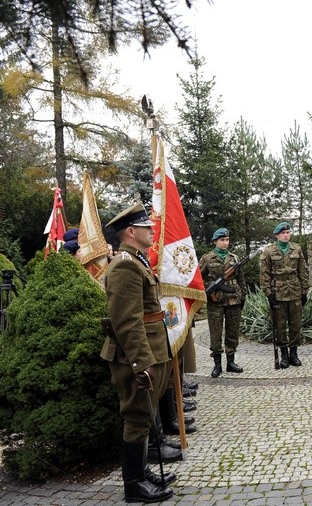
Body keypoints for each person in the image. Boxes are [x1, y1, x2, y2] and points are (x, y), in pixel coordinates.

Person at [101, 202, 174, 503]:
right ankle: (134, 484)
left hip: (150, 351)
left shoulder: (136, 261)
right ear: (131, 232)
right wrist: (141, 362)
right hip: (136, 356)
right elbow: (127, 321)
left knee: (146, 415)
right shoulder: (125, 265)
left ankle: (142, 472)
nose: (152, 229)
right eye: (146, 227)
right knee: (137, 417)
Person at [261, 222, 310, 369]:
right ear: (277, 235)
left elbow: (303, 271)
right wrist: (269, 294)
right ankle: (284, 354)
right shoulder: (269, 251)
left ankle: (294, 354)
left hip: (295, 291)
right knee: (280, 326)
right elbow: (264, 275)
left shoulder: (297, 249)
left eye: (288, 232)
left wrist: (304, 291)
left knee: (295, 324)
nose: (286, 235)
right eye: (283, 233)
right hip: (278, 292)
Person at [199, 228, 245, 378]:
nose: (225, 243)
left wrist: (242, 295)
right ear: (215, 242)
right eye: (222, 240)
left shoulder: (235, 258)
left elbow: (241, 279)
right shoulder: (207, 259)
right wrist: (207, 291)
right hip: (216, 301)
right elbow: (199, 278)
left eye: (227, 240)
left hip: (233, 299)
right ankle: (217, 364)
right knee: (216, 333)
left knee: (232, 332)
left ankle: (231, 362)